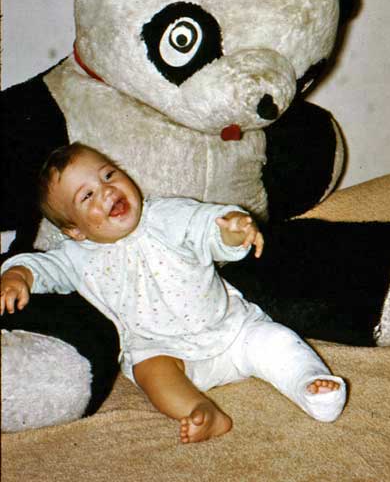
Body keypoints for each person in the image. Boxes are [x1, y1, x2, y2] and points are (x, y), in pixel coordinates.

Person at [1, 143, 346, 443]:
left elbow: (204, 224)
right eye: (87, 195)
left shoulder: (165, 214)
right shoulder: (76, 256)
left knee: (276, 341)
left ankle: (309, 384)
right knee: (151, 373)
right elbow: (44, 266)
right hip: (166, 351)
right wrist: (18, 275)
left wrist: (231, 229)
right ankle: (200, 410)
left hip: (231, 329)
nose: (106, 191)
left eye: (108, 175)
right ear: (74, 230)